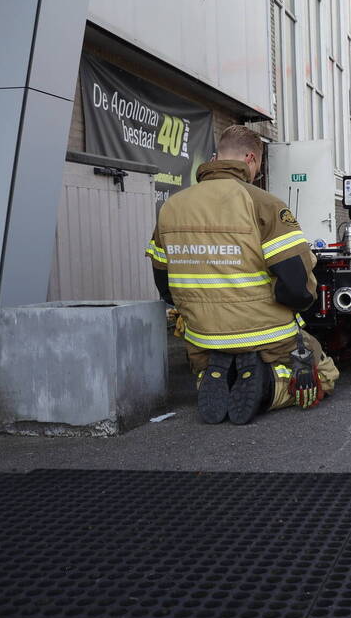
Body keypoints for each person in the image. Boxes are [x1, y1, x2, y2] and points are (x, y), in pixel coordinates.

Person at [145, 125, 339, 424]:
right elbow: (296, 286)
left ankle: (214, 374)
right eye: (259, 164)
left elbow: (163, 283)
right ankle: (265, 385)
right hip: (265, 335)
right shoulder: (263, 203)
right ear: (251, 158)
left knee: (207, 358)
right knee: (322, 375)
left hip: (202, 335)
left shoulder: (171, 206)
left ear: (216, 156)